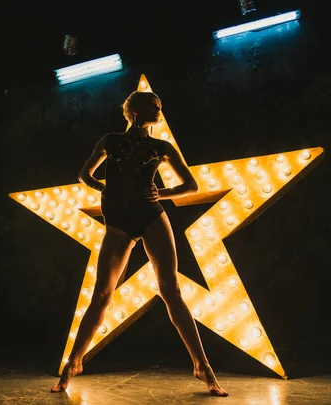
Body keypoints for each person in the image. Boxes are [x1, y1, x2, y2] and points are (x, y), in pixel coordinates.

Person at [51, 90, 228, 397]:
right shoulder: (110, 140)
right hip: (118, 222)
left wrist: (163, 194)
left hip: (150, 216)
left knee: (170, 290)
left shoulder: (162, 147)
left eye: (159, 106)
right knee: (102, 294)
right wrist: (102, 188)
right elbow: (84, 174)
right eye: (152, 106)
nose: (158, 110)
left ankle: (203, 367)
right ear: (133, 112)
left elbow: (191, 185)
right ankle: (73, 363)